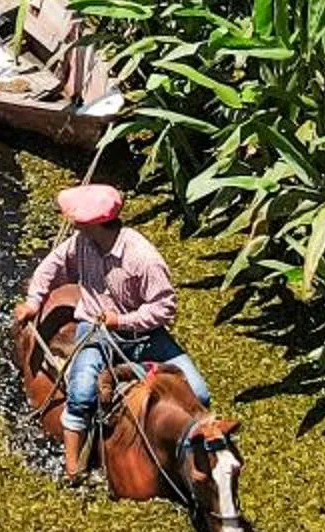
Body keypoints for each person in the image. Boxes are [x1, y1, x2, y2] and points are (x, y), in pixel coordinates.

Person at [17, 184, 211, 482]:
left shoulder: (143, 258)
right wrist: (33, 302)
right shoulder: (81, 243)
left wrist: (121, 321)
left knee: (199, 393)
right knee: (81, 393)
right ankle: (73, 468)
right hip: (95, 332)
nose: (72, 221)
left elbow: (164, 308)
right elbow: (50, 268)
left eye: (77, 218)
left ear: (94, 222)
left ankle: (194, 459)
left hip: (145, 335)